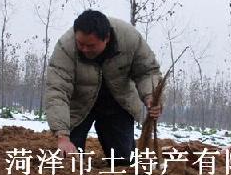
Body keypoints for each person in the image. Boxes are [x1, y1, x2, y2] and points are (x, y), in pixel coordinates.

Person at [44, 10, 162, 163]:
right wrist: (62, 136)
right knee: (69, 160)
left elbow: (148, 71)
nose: (84, 49)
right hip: (78, 103)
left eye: (90, 45)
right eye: (80, 44)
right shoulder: (66, 47)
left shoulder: (129, 39)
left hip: (117, 100)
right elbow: (57, 90)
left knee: (124, 159)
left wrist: (151, 95)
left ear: (106, 38)